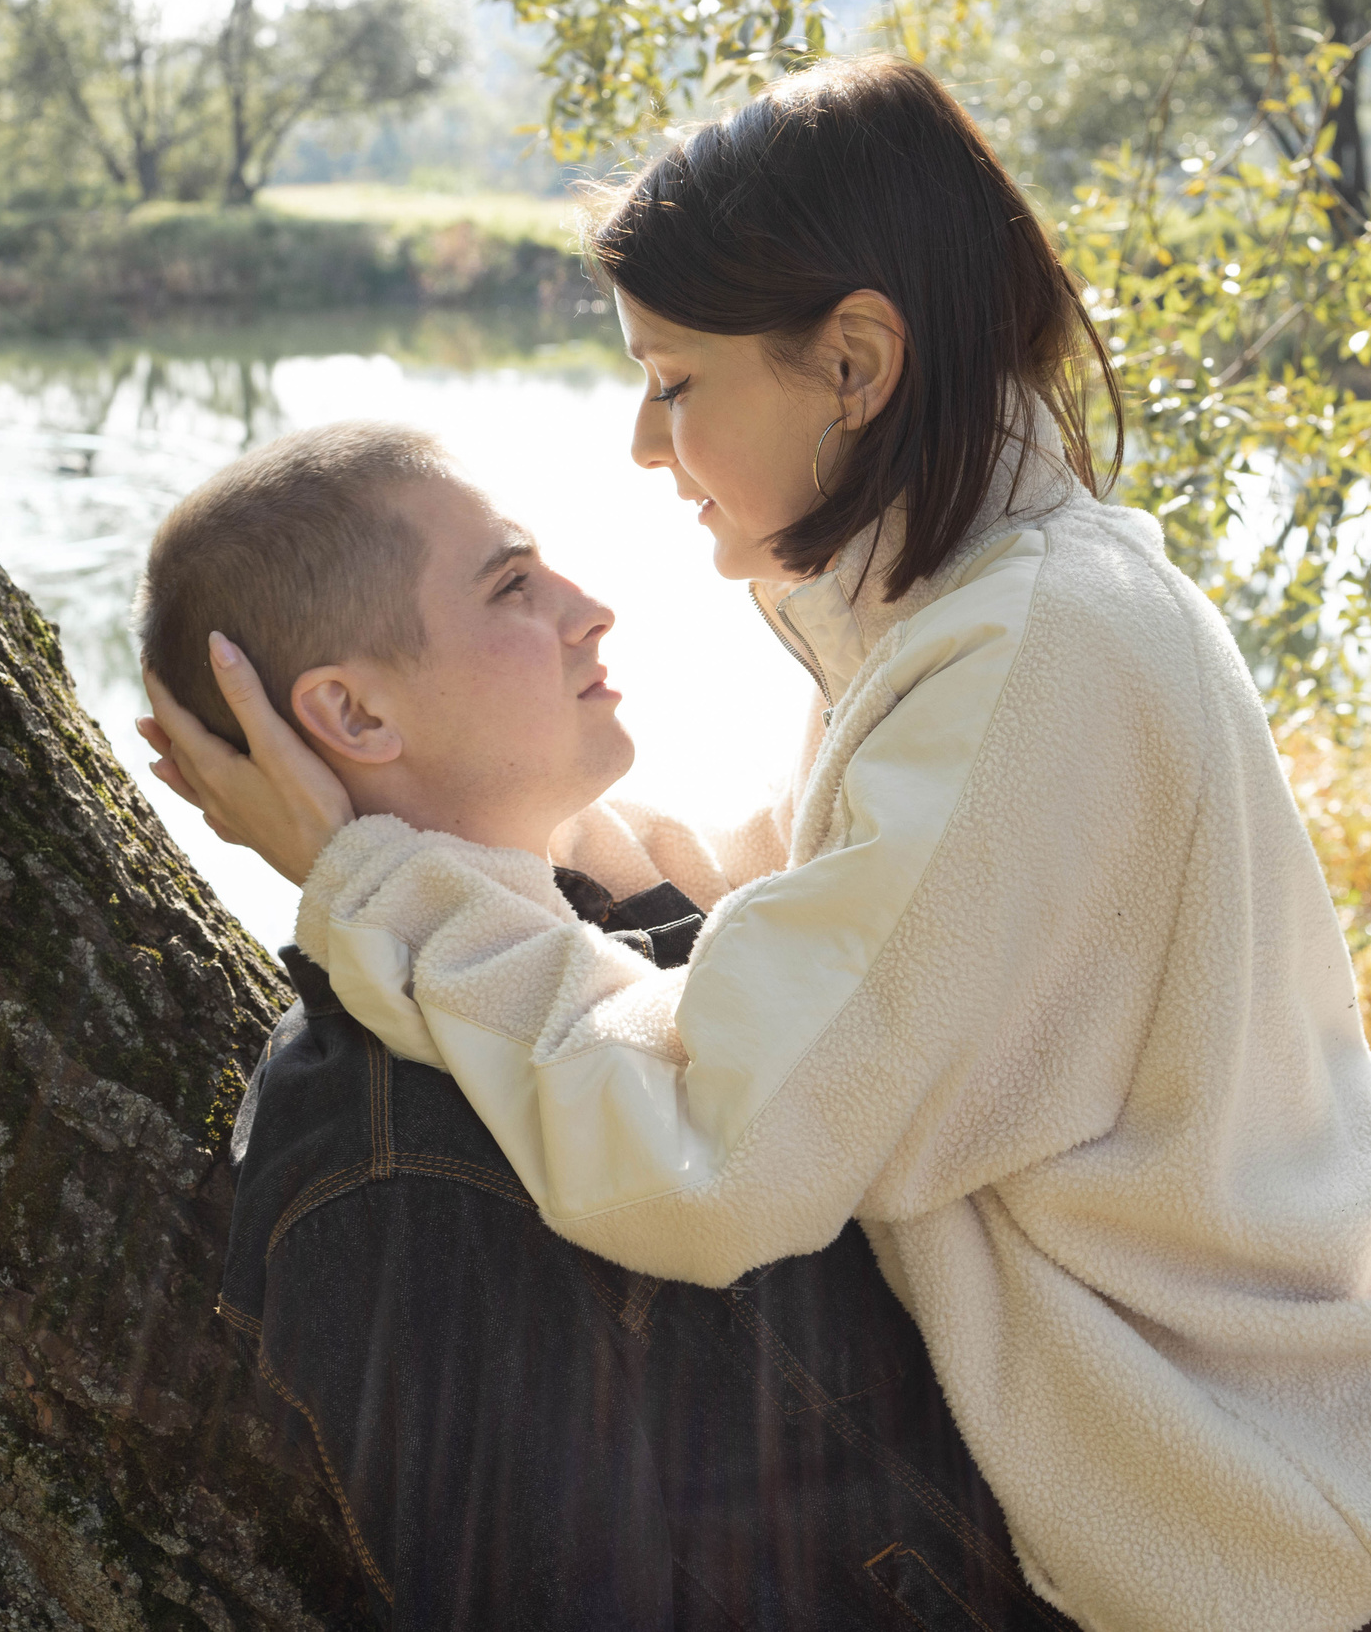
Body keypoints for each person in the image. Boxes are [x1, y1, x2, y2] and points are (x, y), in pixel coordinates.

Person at [143, 60, 1371, 1632]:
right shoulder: (984, 608)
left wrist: (382, 881)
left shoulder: (1028, 656)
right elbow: (811, 909)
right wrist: (457, 820)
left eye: (677, 380)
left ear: (854, 362)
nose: (643, 439)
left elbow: (712, 1151)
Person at [137, 421, 1076, 1629]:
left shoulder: (617, 930)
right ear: (354, 716)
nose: (590, 610)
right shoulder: (395, 1174)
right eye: (512, 587)